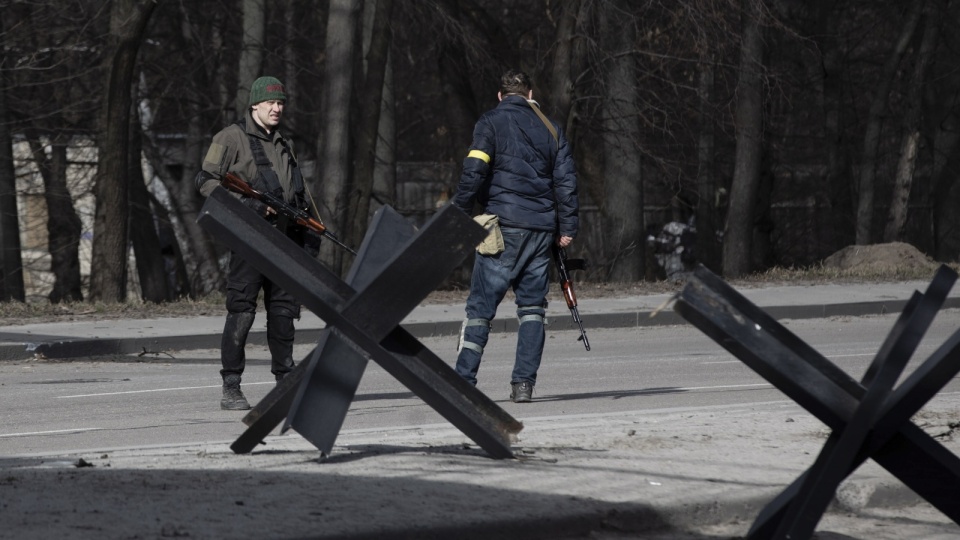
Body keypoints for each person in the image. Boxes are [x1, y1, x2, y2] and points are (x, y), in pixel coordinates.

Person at [452, 69, 580, 403]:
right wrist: (567, 228)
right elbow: (566, 182)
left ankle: (463, 381)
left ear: (500, 95)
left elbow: (474, 170)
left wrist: (458, 210)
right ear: (530, 94)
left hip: (502, 227)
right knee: (533, 310)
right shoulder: (551, 128)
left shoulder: (490, 122)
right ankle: (523, 385)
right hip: (540, 231)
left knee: (480, 309)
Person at [195, 76, 313, 410]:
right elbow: (205, 180)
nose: (277, 109)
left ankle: (285, 381)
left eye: (281, 103)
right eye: (271, 103)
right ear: (255, 105)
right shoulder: (231, 137)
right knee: (242, 311)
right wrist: (249, 205)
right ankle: (231, 387)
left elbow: (295, 192)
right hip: (249, 237)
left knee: (284, 313)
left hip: (284, 238)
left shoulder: (282, 142)